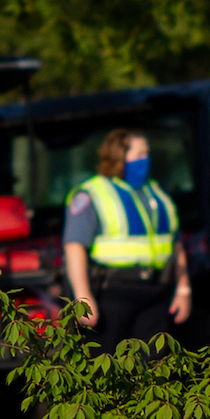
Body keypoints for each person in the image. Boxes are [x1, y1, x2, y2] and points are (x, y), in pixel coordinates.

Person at [63, 128, 192, 353]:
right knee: (107, 366)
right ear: (119, 156)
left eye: (147, 154)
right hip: (113, 293)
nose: (146, 160)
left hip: (155, 292)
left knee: (155, 369)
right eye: (139, 154)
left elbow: (175, 244)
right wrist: (82, 298)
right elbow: (74, 247)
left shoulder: (156, 193)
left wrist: (183, 289)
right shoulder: (92, 193)